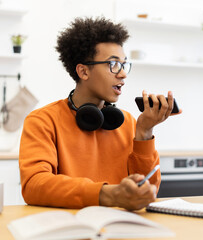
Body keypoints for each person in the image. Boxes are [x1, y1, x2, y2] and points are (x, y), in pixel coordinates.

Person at [19, 17, 181, 211]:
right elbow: (34, 186)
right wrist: (108, 194)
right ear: (83, 71)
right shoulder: (43, 121)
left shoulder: (129, 122)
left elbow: (148, 191)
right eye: (113, 65)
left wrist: (145, 132)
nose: (122, 74)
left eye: (124, 65)